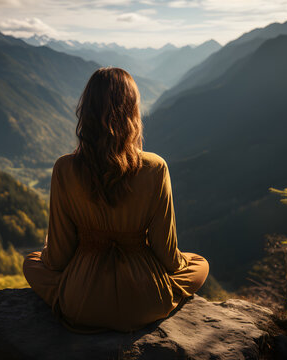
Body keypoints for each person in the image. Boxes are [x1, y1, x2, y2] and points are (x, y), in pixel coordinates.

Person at [23, 67, 209, 333]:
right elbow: (166, 252)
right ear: (132, 111)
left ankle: (69, 296)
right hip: (146, 301)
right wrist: (176, 268)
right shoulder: (155, 167)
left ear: (85, 111)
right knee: (199, 263)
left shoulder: (65, 168)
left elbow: (58, 257)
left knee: (31, 261)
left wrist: (65, 269)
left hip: (82, 304)